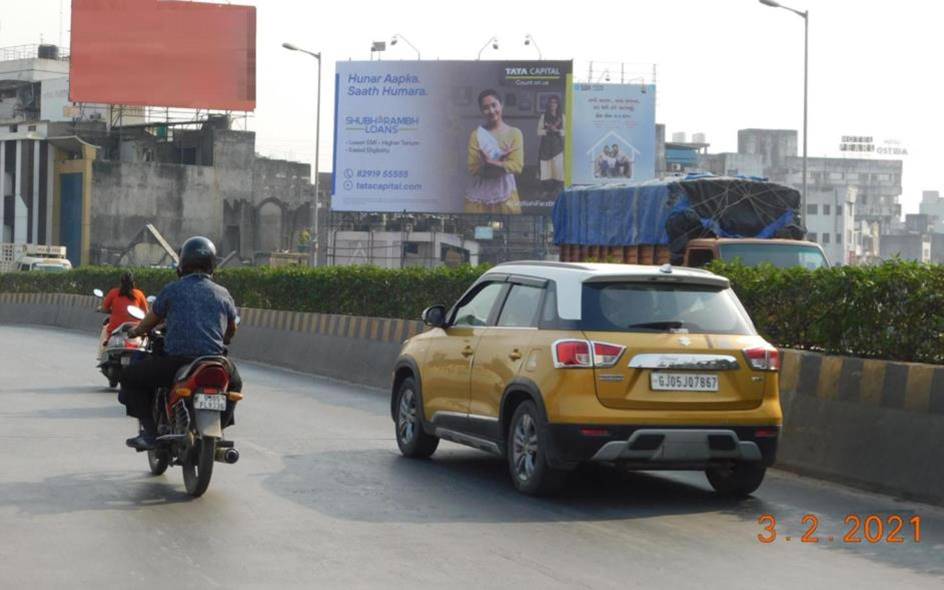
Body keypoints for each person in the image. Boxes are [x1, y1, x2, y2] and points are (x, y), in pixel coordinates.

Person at [120, 236, 242, 450]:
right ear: (212, 265)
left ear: (182, 264)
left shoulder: (173, 290)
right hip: (214, 360)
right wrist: (223, 340)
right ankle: (220, 428)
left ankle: (149, 432)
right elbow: (232, 328)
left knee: (130, 376)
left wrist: (135, 331)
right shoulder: (223, 293)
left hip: (177, 362)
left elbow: (149, 322)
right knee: (235, 384)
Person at [465, 89, 524, 214]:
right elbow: (473, 168)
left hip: (505, 194)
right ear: (481, 111)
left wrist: (490, 163)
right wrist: (501, 162)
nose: (491, 111)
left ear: (501, 105)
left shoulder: (515, 133)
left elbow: (517, 167)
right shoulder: (476, 135)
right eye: (486, 108)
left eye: (494, 105)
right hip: (479, 196)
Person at [98, 271, 148, 358]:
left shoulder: (113, 293)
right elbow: (146, 312)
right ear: (133, 283)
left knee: (105, 330)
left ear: (120, 283)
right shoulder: (139, 294)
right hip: (135, 328)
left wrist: (111, 310)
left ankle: (102, 354)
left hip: (115, 329)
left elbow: (104, 309)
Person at [537, 95, 565, 195]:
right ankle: (546, 189)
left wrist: (557, 130)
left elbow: (565, 132)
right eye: (551, 102)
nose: (553, 104)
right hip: (546, 146)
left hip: (557, 146)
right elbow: (539, 132)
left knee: (558, 168)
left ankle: (558, 189)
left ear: (558, 104)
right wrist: (548, 130)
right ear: (548, 104)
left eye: (555, 102)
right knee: (546, 168)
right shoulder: (543, 116)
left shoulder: (562, 117)